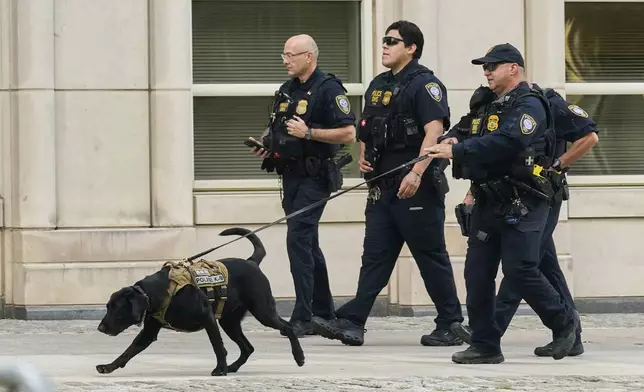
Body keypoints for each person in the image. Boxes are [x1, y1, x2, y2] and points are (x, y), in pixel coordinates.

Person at [311, 20, 464, 347]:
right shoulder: (378, 84)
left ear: (411, 48)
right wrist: (364, 158)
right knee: (376, 255)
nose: (384, 46)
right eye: (384, 40)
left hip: (415, 183)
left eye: (392, 41)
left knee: (429, 255)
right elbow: (366, 128)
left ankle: (451, 323)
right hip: (382, 184)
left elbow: (434, 131)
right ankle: (353, 322)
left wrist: (418, 172)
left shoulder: (425, 85)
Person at [426, 43, 579, 364]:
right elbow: (464, 128)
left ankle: (565, 324)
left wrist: (457, 151)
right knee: (477, 273)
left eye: (493, 66)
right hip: (487, 201)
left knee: (520, 269)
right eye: (485, 67)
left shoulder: (529, 104)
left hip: (525, 199)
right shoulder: (488, 104)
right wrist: (451, 139)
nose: (487, 72)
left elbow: (510, 142)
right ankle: (485, 345)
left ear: (513, 68)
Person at [447, 83, 599, 357]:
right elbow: (495, 156)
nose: (489, 75)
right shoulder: (497, 106)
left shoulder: (547, 102)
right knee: (543, 265)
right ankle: (567, 333)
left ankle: (495, 329)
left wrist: (559, 165)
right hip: (507, 195)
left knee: (521, 267)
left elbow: (589, 137)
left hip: (539, 196)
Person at [247, 34, 357, 337]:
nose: (285, 60)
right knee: (308, 242)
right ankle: (323, 310)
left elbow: (348, 133)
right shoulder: (286, 90)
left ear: (309, 56)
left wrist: (310, 133)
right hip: (290, 175)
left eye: (290, 55)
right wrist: (266, 145)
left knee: (298, 239)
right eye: (283, 55)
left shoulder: (329, 89)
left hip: (316, 176)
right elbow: (277, 128)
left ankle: (303, 316)